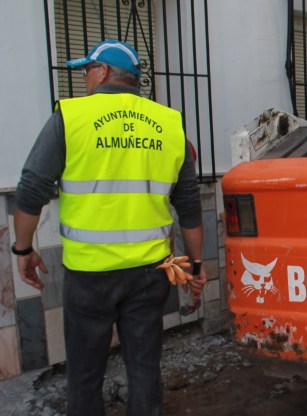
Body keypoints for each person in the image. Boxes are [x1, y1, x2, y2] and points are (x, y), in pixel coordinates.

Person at [12, 39, 208, 414]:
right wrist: (195, 266)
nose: (85, 79)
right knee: (145, 368)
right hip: (152, 274)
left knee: (85, 375)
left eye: (86, 70)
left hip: (90, 275)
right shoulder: (171, 125)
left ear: (102, 71)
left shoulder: (72, 118)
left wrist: (22, 249)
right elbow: (188, 205)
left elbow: (31, 187)